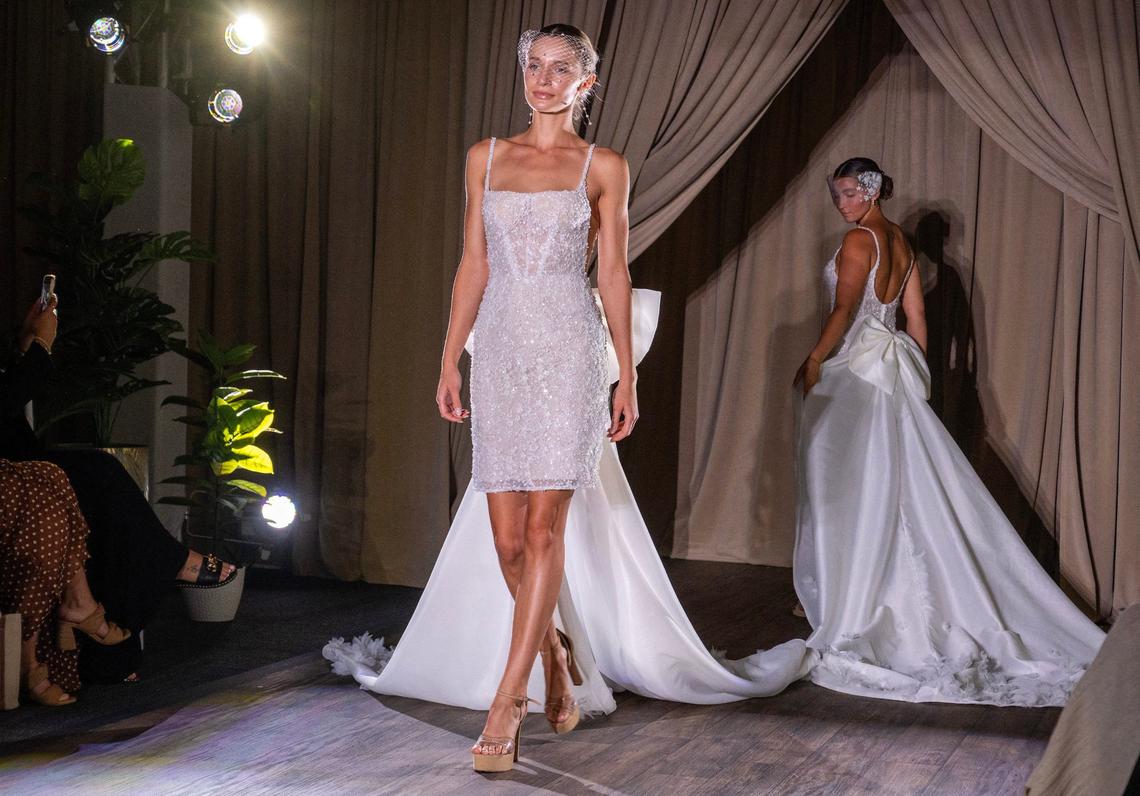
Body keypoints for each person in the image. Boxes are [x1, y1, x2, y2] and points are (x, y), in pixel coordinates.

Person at [325, 24, 810, 774]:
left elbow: (612, 274)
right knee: (509, 545)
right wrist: (449, 359)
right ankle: (552, 651)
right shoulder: (484, 157)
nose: (543, 80)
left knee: (546, 533)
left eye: (560, 70)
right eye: (534, 67)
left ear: (587, 83)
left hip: (569, 353)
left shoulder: (603, 166)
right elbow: (472, 265)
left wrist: (627, 372)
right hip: (503, 352)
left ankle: (505, 705)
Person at [791, 157, 1104, 706]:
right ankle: (861, 586)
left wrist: (816, 359)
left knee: (842, 484)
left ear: (868, 193)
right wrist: (917, 372)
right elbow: (917, 319)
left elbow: (843, 310)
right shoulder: (905, 248)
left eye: (845, 193)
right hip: (888, 368)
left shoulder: (861, 241)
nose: (838, 203)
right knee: (889, 486)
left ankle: (850, 596)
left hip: (858, 373)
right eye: (834, 194)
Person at [2, 294, 236, 683]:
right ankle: (165, 567)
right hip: (18, 472)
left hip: (23, 466)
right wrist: (41, 347)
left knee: (93, 482)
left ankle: (108, 646)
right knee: (90, 478)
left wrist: (27, 344)